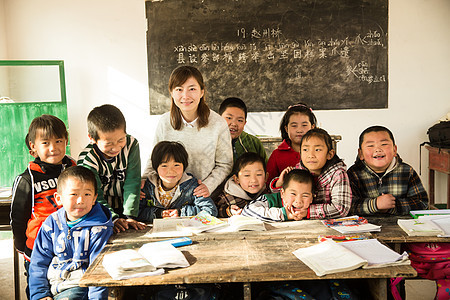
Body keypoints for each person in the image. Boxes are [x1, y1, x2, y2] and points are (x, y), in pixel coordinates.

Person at [10, 114, 76, 298]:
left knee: (68, 288)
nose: (53, 148)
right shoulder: (26, 179)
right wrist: (23, 247)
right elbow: (18, 218)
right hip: (38, 248)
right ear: (33, 147)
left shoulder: (73, 169)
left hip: (69, 244)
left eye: (58, 141)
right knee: (39, 289)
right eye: (45, 143)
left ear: (66, 141)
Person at [142, 65, 233, 198]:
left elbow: (225, 164)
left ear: (202, 92)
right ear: (172, 93)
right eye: (179, 89)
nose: (185, 96)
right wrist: (144, 179)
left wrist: (208, 186)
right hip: (169, 196)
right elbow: (154, 158)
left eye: (192, 89)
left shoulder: (218, 123)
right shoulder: (165, 122)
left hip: (203, 195)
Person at [29, 166, 113, 300]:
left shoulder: (99, 228)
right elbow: (39, 262)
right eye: (74, 194)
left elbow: (97, 270)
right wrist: (40, 294)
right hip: (54, 284)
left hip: (79, 285)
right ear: (59, 198)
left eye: (87, 194)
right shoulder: (51, 223)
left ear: (94, 198)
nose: (80, 200)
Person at [77, 104, 146, 233]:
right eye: (108, 143)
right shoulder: (87, 160)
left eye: (121, 140)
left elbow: (133, 180)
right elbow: (94, 195)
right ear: (92, 139)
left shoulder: (131, 145)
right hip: (101, 212)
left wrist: (129, 216)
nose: (116, 147)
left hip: (126, 208)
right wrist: (112, 218)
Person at [271, 128, 352, 219]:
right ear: (300, 153)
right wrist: (280, 183)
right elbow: (283, 197)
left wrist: (308, 212)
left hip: (329, 225)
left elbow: (341, 208)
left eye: (317, 150)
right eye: (305, 149)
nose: (311, 155)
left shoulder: (338, 174)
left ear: (330, 154)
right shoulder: (297, 171)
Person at [348, 125, 428, 215]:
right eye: (370, 146)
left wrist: (393, 206)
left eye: (384, 144)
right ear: (360, 154)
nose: (378, 149)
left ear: (394, 150)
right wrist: (375, 205)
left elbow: (422, 203)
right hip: (364, 226)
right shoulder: (353, 174)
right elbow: (348, 206)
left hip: (399, 225)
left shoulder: (407, 171)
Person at [138, 141, 217, 222]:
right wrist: (158, 213)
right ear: (156, 168)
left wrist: (181, 213)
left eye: (176, 165)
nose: (171, 171)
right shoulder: (147, 187)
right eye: (164, 166)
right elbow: (135, 212)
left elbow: (210, 210)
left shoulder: (192, 186)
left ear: (184, 166)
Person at [266, 103, 316, 185]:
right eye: (294, 126)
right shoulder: (277, 155)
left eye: (304, 125)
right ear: (286, 128)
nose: (299, 130)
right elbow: (268, 185)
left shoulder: (319, 152)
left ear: (312, 127)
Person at [241, 169, 314, 222]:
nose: (298, 201)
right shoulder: (270, 200)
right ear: (282, 193)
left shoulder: (314, 208)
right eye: (293, 194)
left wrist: (307, 213)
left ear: (312, 197)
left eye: (305, 196)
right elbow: (248, 210)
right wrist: (284, 214)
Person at [215, 152, 268, 217]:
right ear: (237, 179)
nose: (253, 180)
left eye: (259, 174)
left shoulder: (267, 194)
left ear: (266, 177)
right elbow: (215, 211)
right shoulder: (227, 197)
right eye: (247, 175)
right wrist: (228, 211)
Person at [218, 97, 268, 163]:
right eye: (229, 118)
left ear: (245, 123)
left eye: (240, 120)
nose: (234, 124)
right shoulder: (210, 141)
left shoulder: (254, 143)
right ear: (218, 119)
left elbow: (266, 170)